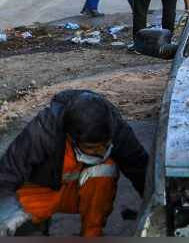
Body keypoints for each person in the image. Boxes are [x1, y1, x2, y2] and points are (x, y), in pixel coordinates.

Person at [0, 90, 149, 237]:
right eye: (90, 147)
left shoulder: (116, 129)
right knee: (13, 221)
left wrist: (155, 209)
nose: (99, 152)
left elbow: (140, 169)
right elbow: (7, 174)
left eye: (104, 145)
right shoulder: (42, 131)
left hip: (79, 192)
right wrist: (8, 212)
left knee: (105, 169)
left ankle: (92, 233)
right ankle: (36, 226)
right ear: (71, 137)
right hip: (41, 190)